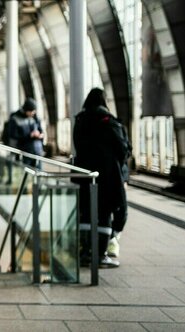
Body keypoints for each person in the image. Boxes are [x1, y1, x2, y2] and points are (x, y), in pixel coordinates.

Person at [73, 88, 130, 268]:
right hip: (107, 175)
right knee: (104, 212)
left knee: (86, 212)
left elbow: (77, 145)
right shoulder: (108, 121)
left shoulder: (80, 120)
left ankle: (84, 253)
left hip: (84, 172)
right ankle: (100, 255)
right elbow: (123, 149)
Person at [107, 123, 132, 258]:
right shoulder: (117, 128)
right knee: (119, 210)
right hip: (113, 176)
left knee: (120, 211)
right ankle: (112, 240)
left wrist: (125, 180)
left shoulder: (117, 127)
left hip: (117, 177)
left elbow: (124, 160)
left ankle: (113, 239)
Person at [8, 98, 44, 168]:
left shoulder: (35, 117)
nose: (33, 113)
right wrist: (29, 135)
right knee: (26, 174)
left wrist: (40, 135)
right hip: (24, 153)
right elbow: (13, 135)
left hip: (37, 151)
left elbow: (40, 130)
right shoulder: (15, 118)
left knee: (39, 173)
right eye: (31, 111)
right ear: (26, 110)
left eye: (34, 111)